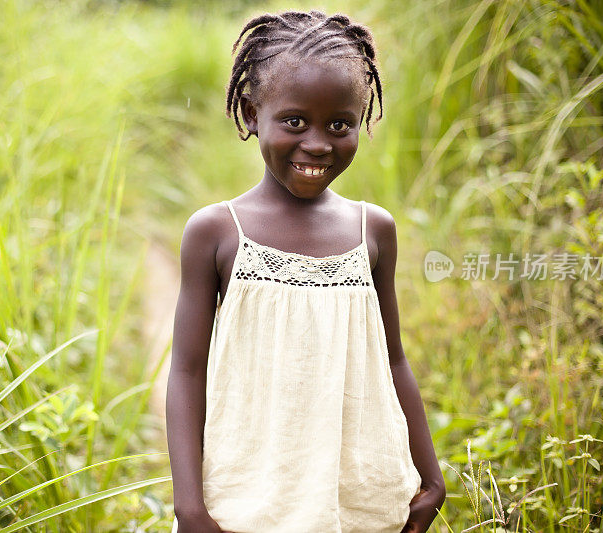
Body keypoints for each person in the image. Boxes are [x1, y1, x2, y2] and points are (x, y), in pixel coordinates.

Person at [165, 9, 446, 533]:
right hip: (249, 499)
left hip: (358, 496)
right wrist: (190, 507)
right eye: (294, 121)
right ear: (252, 113)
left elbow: (394, 359)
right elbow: (186, 371)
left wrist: (431, 478)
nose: (317, 143)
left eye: (339, 124)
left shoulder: (373, 230)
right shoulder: (216, 232)